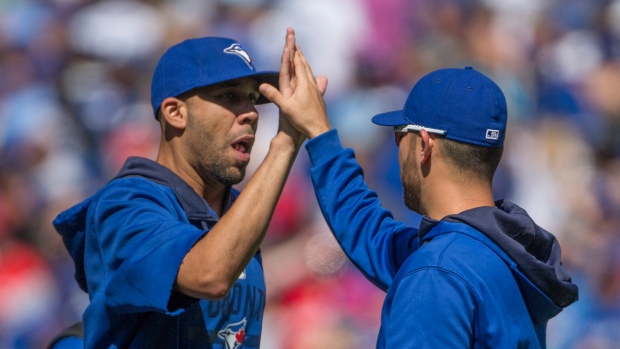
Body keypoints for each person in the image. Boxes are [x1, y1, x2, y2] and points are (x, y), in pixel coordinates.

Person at [260, 65, 579, 347]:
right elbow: (374, 235)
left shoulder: (436, 274)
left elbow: (430, 269)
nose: (396, 150)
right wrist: (320, 135)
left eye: (400, 135)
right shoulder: (505, 250)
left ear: (424, 145)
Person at [52, 27, 327, 348]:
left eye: (253, 99)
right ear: (175, 113)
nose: (252, 112)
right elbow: (208, 275)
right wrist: (285, 143)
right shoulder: (126, 204)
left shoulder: (241, 210)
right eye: (228, 96)